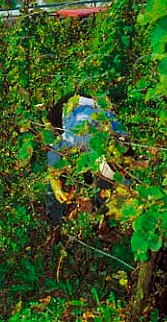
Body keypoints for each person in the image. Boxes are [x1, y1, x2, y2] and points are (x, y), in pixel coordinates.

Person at [46, 93, 130, 226]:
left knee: (104, 189)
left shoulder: (123, 142)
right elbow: (53, 152)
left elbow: (127, 184)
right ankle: (53, 223)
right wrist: (56, 186)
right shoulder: (76, 137)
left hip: (97, 112)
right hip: (66, 109)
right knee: (55, 181)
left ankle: (99, 218)